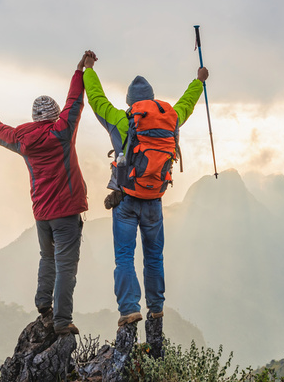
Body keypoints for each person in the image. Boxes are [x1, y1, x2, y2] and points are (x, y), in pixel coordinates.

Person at [82, 50, 208, 357]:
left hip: (126, 201)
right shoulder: (170, 119)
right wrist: (199, 81)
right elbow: (187, 102)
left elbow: (96, 99)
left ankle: (129, 310)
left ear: (130, 103)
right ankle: (156, 312)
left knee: (124, 255)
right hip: (154, 201)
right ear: (152, 101)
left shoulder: (120, 120)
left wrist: (88, 70)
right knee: (154, 258)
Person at [0, 52, 91, 336]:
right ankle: (62, 320)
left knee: (47, 258)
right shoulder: (63, 131)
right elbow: (74, 103)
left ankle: (42, 304)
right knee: (66, 267)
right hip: (66, 214)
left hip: (42, 214)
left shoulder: (21, 139)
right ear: (55, 115)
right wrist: (80, 70)